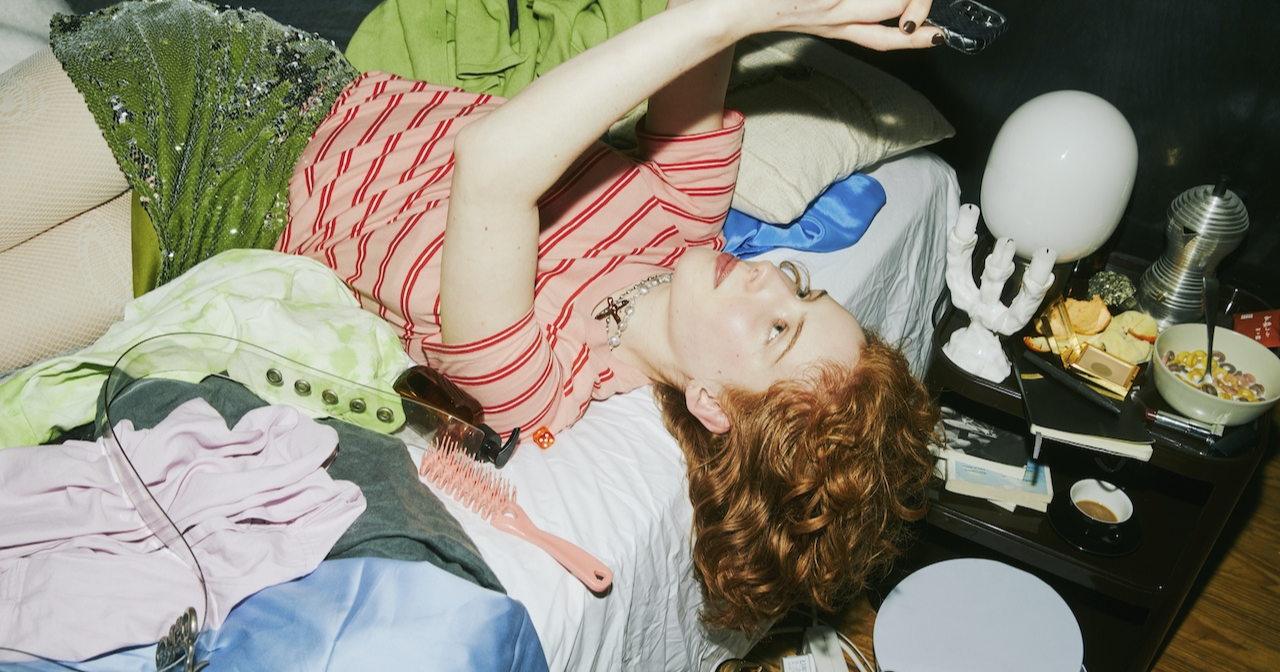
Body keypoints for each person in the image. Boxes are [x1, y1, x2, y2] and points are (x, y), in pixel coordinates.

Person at [0, 0, 942, 634]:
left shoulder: (530, 382)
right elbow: (692, 25)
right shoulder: (685, 211)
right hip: (233, 94)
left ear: (711, 405)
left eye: (778, 331)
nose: (775, 279)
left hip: (194, 238)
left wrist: (757, 12)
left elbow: (492, 165)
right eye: (805, 292)